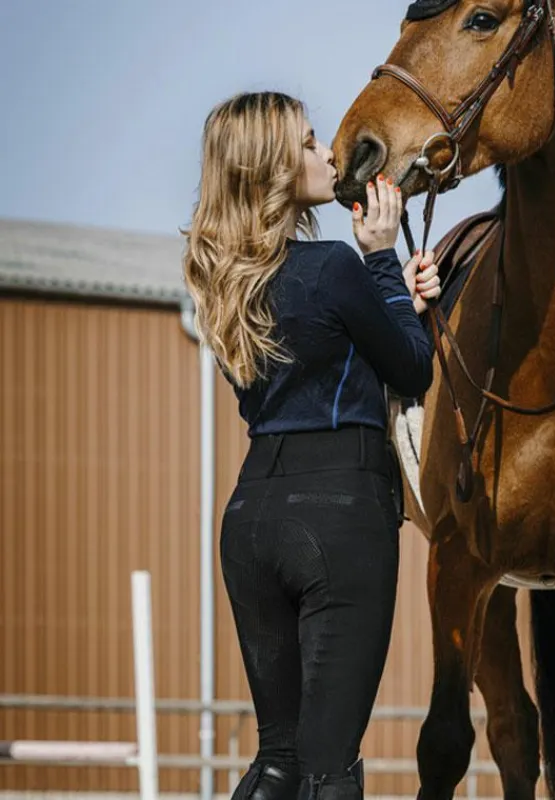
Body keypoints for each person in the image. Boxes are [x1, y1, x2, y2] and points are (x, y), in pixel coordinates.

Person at [182, 91, 440, 800]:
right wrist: (385, 264)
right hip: (341, 514)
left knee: (279, 761)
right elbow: (412, 368)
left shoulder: (228, 282)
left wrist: (392, 298)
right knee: (330, 766)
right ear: (271, 167)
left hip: (251, 519)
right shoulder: (334, 265)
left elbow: (335, 347)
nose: (328, 152)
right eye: (306, 143)